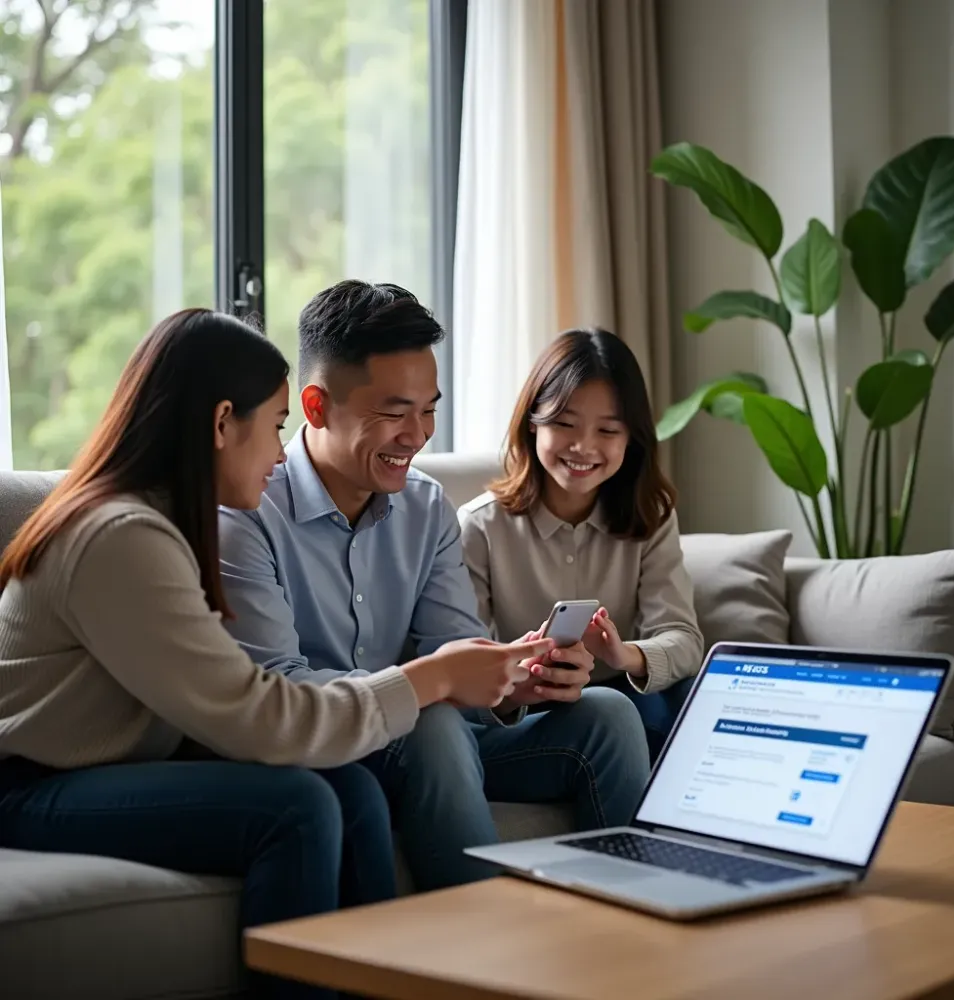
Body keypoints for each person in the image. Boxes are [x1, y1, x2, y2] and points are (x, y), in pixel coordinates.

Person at [0, 308, 549, 1000]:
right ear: (223, 422)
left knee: (345, 788)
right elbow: (260, 714)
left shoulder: (160, 521)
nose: (281, 453)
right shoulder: (120, 537)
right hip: (30, 786)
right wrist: (429, 679)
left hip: (110, 767)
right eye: (277, 426)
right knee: (295, 807)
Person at [218, 281, 650, 891]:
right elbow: (279, 690)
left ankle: (639, 926)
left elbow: (457, 655)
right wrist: (428, 685)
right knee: (432, 721)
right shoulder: (245, 509)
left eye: (430, 410)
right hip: (333, 746)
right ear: (315, 408)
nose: (418, 434)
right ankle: (472, 947)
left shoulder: (426, 507)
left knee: (608, 712)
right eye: (395, 412)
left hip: (435, 745)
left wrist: (515, 677)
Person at [459, 328, 705, 763]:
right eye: (564, 424)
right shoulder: (481, 526)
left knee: (675, 698)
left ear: (632, 439)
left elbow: (683, 638)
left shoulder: (651, 517)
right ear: (531, 423)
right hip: (526, 708)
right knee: (618, 713)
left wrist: (623, 654)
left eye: (608, 430)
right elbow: (462, 660)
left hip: (626, 693)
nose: (583, 446)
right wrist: (524, 672)